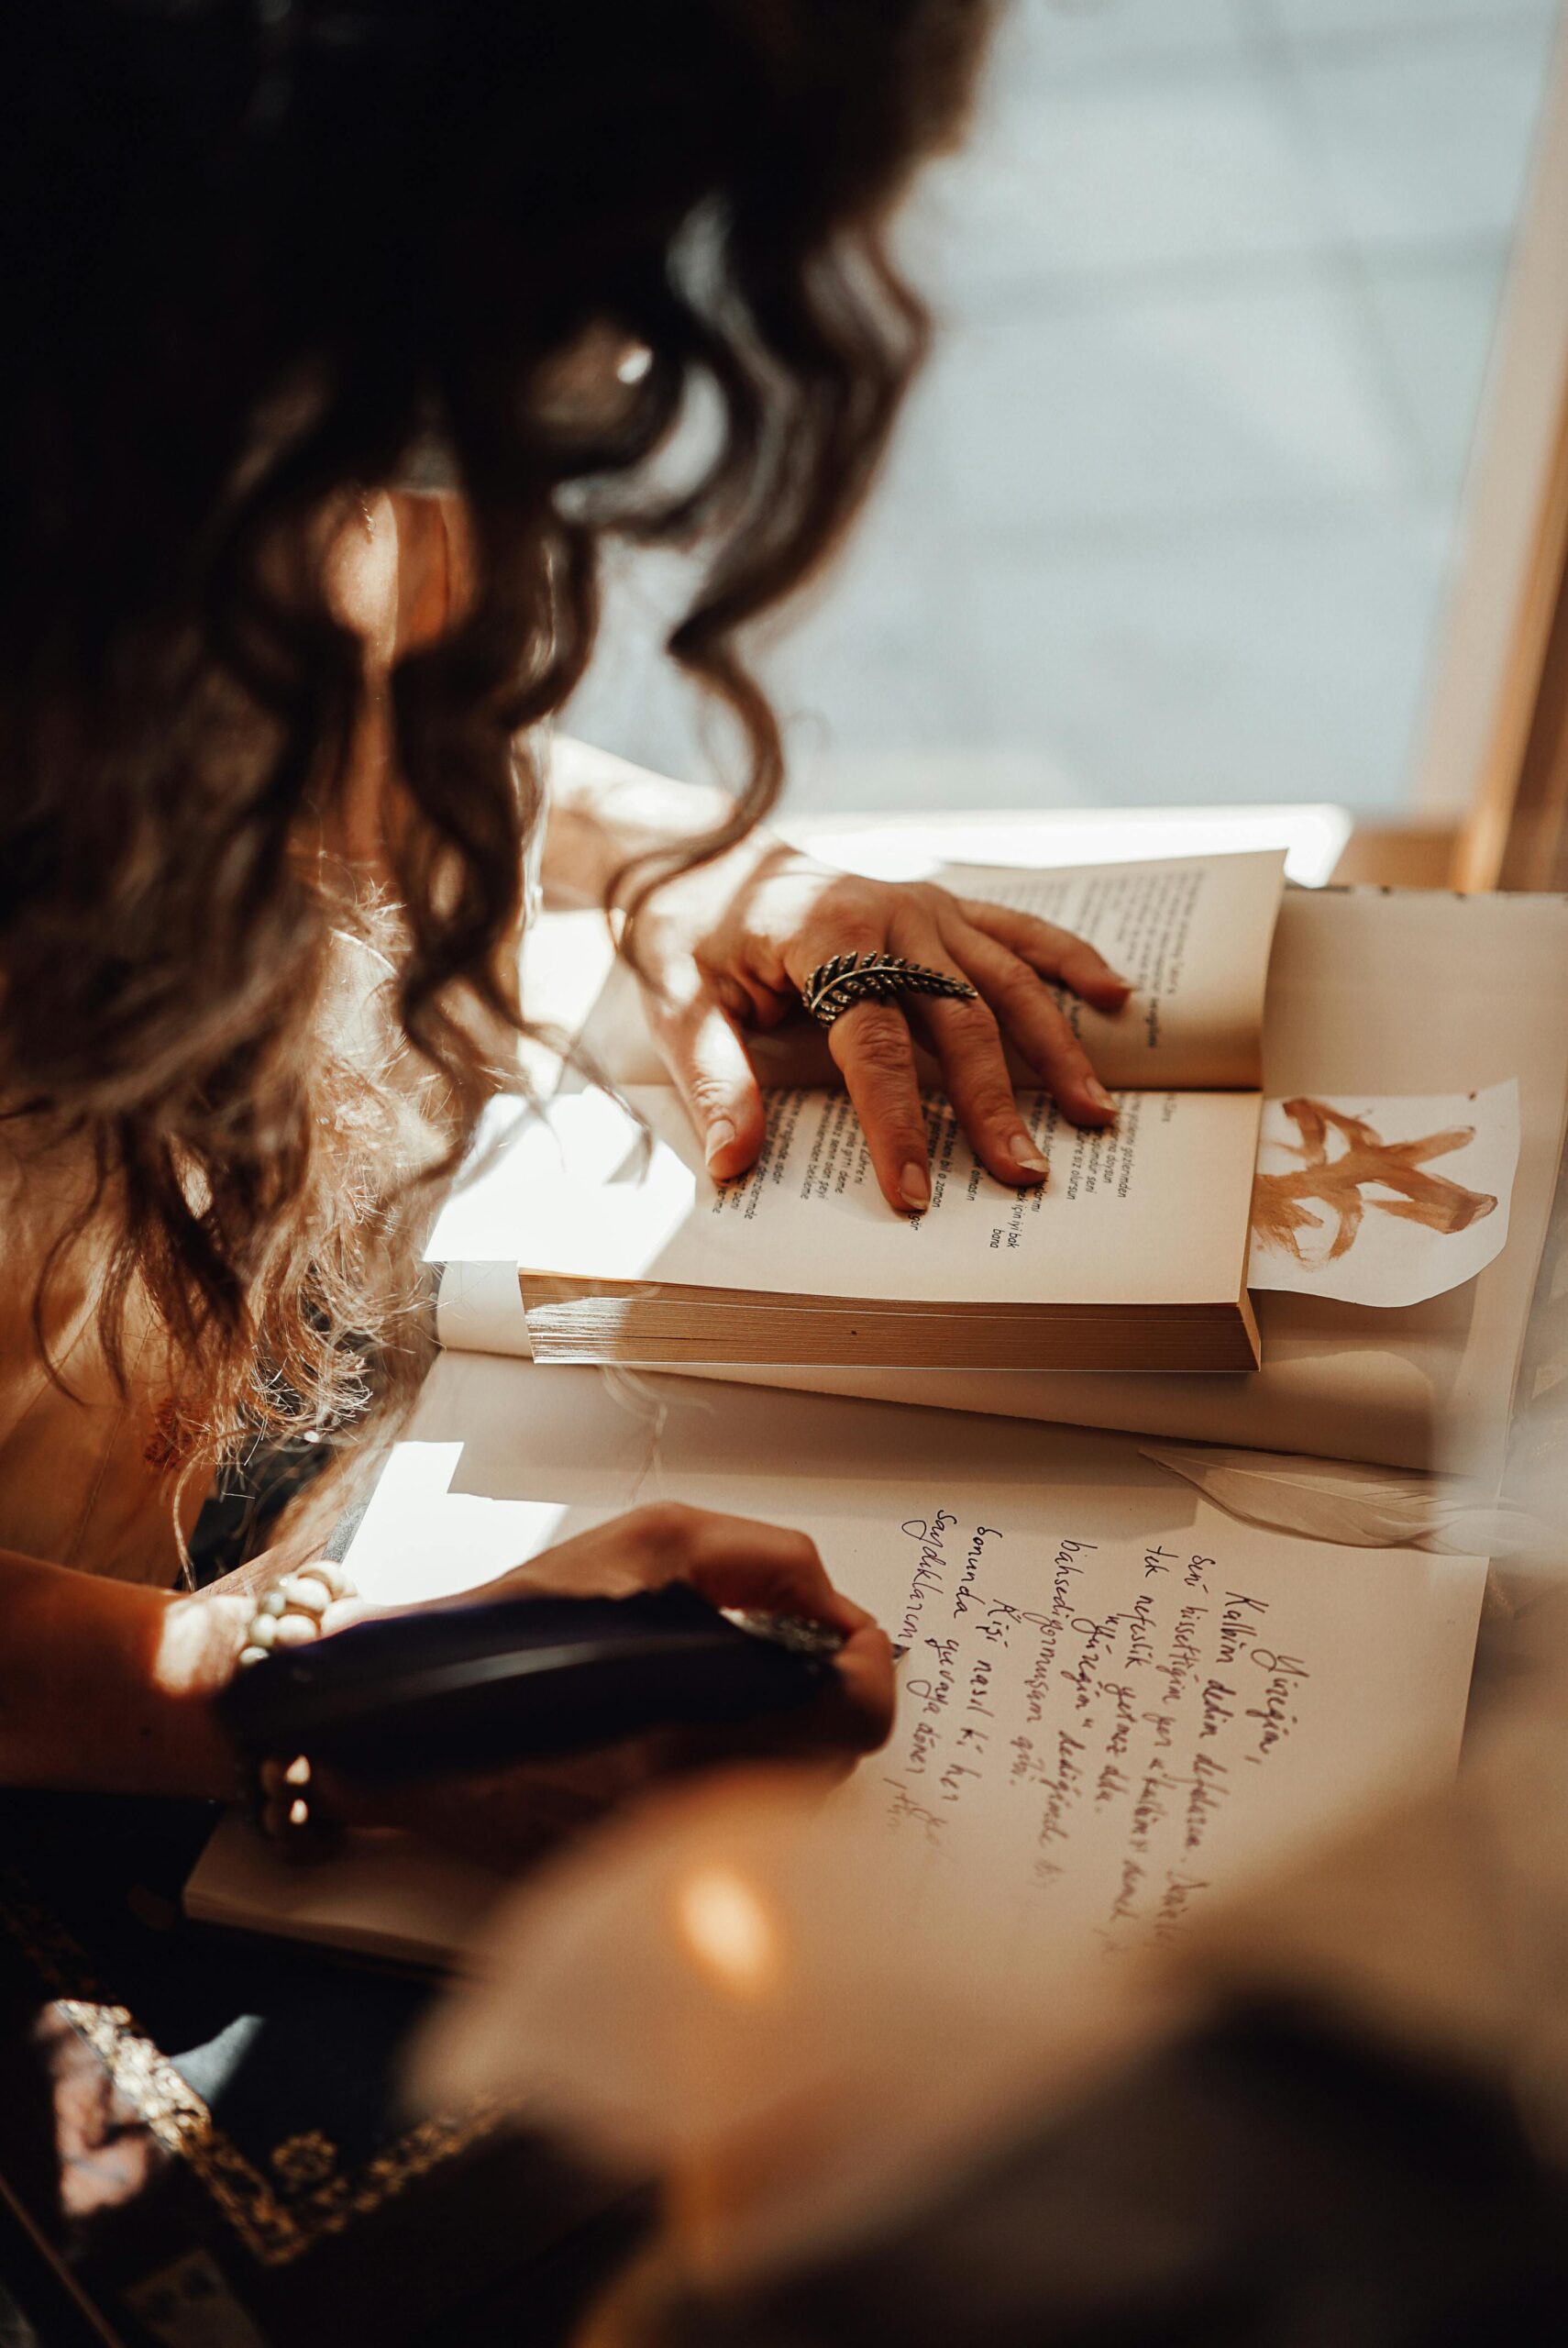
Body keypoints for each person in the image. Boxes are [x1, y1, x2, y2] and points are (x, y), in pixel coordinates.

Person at [0, 0, 1127, 1854]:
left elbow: (313, 729)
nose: (617, 365)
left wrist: (678, 865)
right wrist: (298, 1696)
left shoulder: (242, 429)